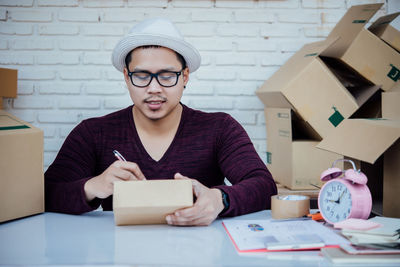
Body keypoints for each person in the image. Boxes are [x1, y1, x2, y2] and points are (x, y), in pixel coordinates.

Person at [45, 18, 277, 226]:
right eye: (142, 76)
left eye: (166, 76)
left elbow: (265, 186)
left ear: (184, 76)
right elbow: (44, 193)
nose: (154, 89)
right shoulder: (93, 133)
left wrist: (220, 199)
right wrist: (93, 187)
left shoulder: (220, 128)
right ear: (126, 77)